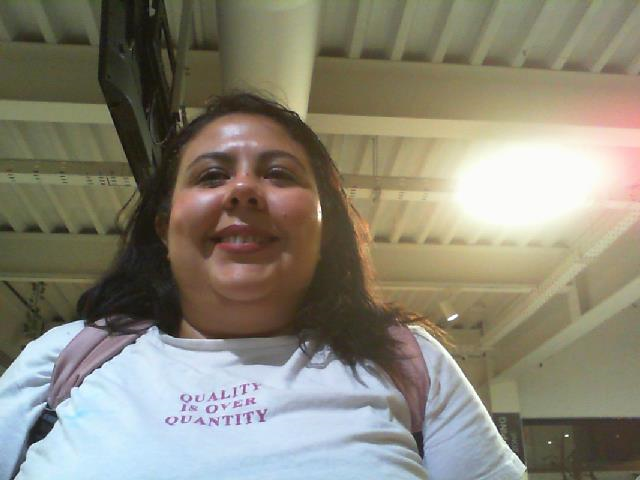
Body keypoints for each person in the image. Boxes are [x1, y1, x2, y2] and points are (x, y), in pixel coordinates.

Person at [0, 93, 526, 479]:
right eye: (211, 176)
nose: (244, 191)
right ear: (164, 227)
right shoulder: (65, 357)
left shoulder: (408, 360)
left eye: (279, 174)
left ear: (324, 227)